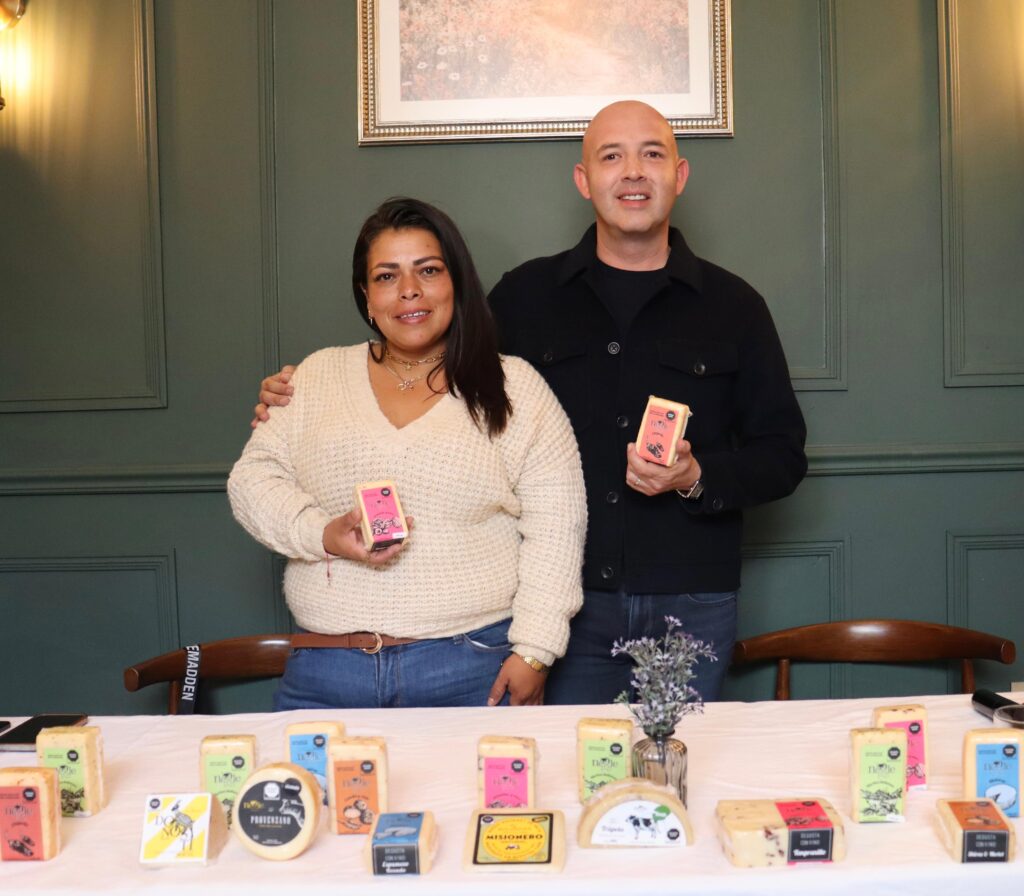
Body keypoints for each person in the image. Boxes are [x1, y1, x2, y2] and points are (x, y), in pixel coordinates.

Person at [254, 102, 806, 704]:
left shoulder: (735, 307)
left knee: (676, 757)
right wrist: (303, 394)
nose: (633, 171)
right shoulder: (523, 297)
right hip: (563, 608)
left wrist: (696, 476)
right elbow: (434, 358)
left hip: (691, 597)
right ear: (584, 179)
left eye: (652, 154)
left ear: (680, 174)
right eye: (612, 156)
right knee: (563, 764)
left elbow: (782, 455)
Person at [229, 197, 586, 710]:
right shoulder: (313, 378)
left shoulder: (515, 387)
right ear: (366, 295)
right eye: (386, 276)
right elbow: (252, 481)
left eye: (428, 270)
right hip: (327, 669)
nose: (409, 290)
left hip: (471, 666)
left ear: (456, 281)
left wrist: (535, 651)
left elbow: (557, 526)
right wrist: (323, 534)